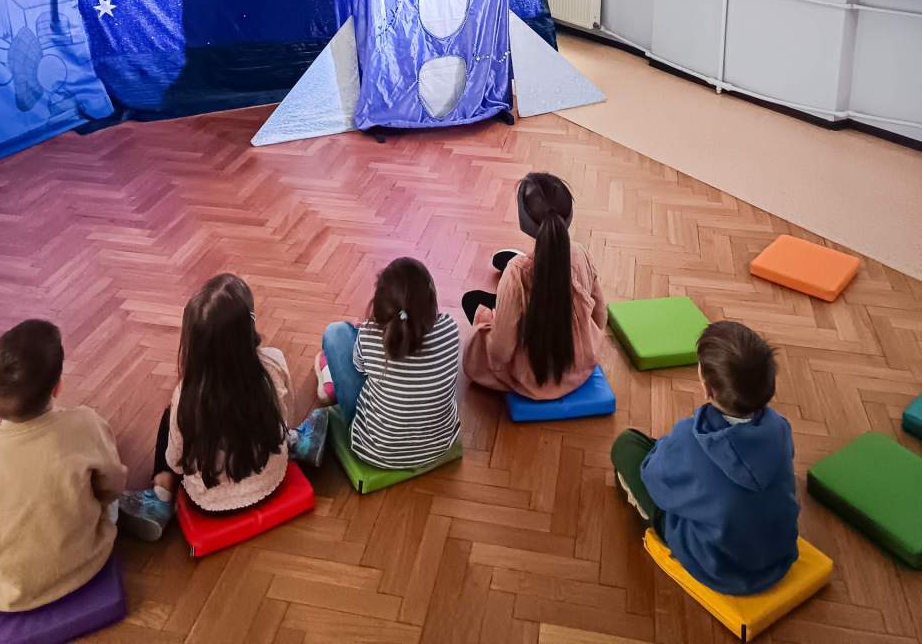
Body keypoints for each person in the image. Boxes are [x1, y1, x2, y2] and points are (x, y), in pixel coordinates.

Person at [119, 273, 326, 541]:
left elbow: (177, 461)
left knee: (170, 417)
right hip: (271, 481)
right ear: (248, 327)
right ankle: (299, 443)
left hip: (209, 501)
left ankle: (161, 496)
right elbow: (285, 415)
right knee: (275, 423)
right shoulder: (273, 363)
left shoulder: (187, 394)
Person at [610, 320, 799, 595]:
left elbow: (653, 480)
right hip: (778, 556)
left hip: (716, 566)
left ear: (708, 389)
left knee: (626, 445)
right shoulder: (780, 427)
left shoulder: (688, 438)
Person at [0, 319, 126, 611]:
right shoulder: (85, 424)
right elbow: (113, 486)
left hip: (1, 593)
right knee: (110, 499)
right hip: (86, 563)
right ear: (58, 386)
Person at [461, 172, 607, 398]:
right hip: (581, 365)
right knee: (518, 287)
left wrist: (489, 320)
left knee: (472, 301)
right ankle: (518, 278)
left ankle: (508, 294)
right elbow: (600, 315)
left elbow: (500, 352)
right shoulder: (581, 254)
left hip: (533, 378)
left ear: (525, 220)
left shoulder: (517, 273)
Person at [314, 257, 460, 469]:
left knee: (335, 333)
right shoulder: (450, 328)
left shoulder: (369, 336)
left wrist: (367, 333)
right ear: (431, 300)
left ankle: (328, 380)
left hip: (374, 450)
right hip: (440, 444)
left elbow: (358, 368)